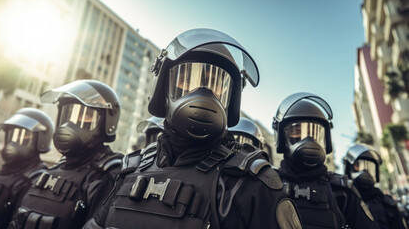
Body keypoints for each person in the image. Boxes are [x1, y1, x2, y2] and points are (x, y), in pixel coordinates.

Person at [84, 28, 302, 229]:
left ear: (230, 100)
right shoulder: (131, 168)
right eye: (188, 80)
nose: (203, 94)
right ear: (164, 90)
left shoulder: (251, 184)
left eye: (216, 84)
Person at [8, 80, 123, 229]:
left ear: (107, 122)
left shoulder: (106, 176)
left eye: (86, 116)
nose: (70, 125)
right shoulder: (50, 173)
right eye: (69, 115)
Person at [273, 92, 379, 229]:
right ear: (282, 139)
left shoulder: (343, 190)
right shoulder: (268, 184)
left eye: (314, 133)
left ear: (326, 141)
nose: (308, 140)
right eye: (297, 131)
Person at [0, 108, 53, 229]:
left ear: (40, 140)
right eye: (11, 134)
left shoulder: (38, 180)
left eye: (24, 136)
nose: (13, 142)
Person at [343, 143, 408, 229]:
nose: (365, 172)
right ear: (349, 169)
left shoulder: (386, 202)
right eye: (358, 166)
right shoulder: (344, 201)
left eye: (370, 166)